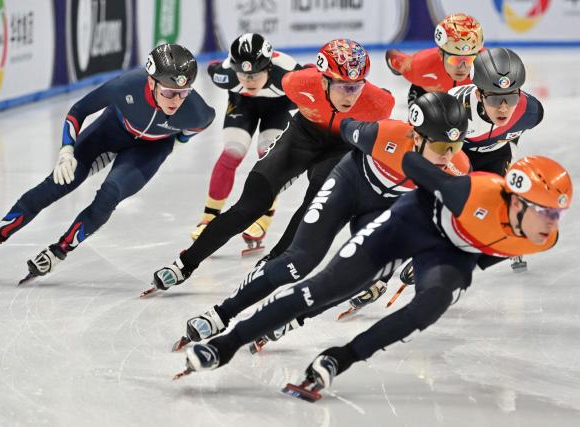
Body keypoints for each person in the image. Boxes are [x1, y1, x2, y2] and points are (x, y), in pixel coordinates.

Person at [181, 153, 572, 402]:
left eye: (558, 214)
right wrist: (440, 181)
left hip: (450, 253)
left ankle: (339, 359)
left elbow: (492, 254)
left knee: (428, 308)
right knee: (321, 291)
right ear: (518, 202)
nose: (552, 223)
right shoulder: (475, 192)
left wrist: (460, 273)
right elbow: (413, 165)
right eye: (548, 212)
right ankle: (226, 344)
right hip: (407, 224)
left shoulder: (542, 240)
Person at [179, 92, 471, 350]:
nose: (448, 157)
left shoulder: (456, 169)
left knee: (363, 275)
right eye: (443, 146)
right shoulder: (383, 135)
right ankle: (221, 314)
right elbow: (345, 128)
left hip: (381, 208)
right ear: (416, 137)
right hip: (349, 186)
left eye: (455, 148)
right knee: (298, 262)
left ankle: (294, 319)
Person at [145, 39, 395, 295]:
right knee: (249, 206)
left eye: (356, 87)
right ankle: (185, 263)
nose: (350, 95)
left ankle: (271, 264)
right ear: (323, 80)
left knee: (313, 207)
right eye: (343, 87)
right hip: (301, 138)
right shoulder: (296, 82)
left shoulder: (379, 103)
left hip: (341, 147)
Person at [0, 44, 215, 283]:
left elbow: (202, 124)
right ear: (151, 82)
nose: (176, 101)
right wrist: (66, 150)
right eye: (170, 92)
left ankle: (60, 250)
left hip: (149, 150)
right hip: (111, 131)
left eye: (183, 93)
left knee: (110, 193)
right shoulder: (126, 86)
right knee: (55, 184)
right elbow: (79, 110)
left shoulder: (197, 110)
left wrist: (179, 142)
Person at [190, 33, 300, 255]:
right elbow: (212, 67)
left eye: (255, 75)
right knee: (232, 152)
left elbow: (316, 78)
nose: (249, 81)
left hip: (279, 107)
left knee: (268, 154)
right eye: (243, 74)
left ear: (269, 68)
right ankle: (208, 217)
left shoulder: (289, 75)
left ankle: (264, 217)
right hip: (243, 105)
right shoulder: (225, 75)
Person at [450, 47, 544, 271]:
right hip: (457, 151)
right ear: (478, 94)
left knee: (499, 200)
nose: (503, 108)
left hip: (496, 152)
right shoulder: (453, 109)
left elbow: (514, 133)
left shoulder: (531, 113)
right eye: (494, 100)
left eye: (511, 97)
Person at [386, 13, 484, 105]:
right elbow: (392, 55)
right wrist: (396, 66)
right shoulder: (418, 66)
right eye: (455, 60)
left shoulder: (489, 64)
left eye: (469, 60)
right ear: (441, 54)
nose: (462, 68)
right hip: (430, 96)